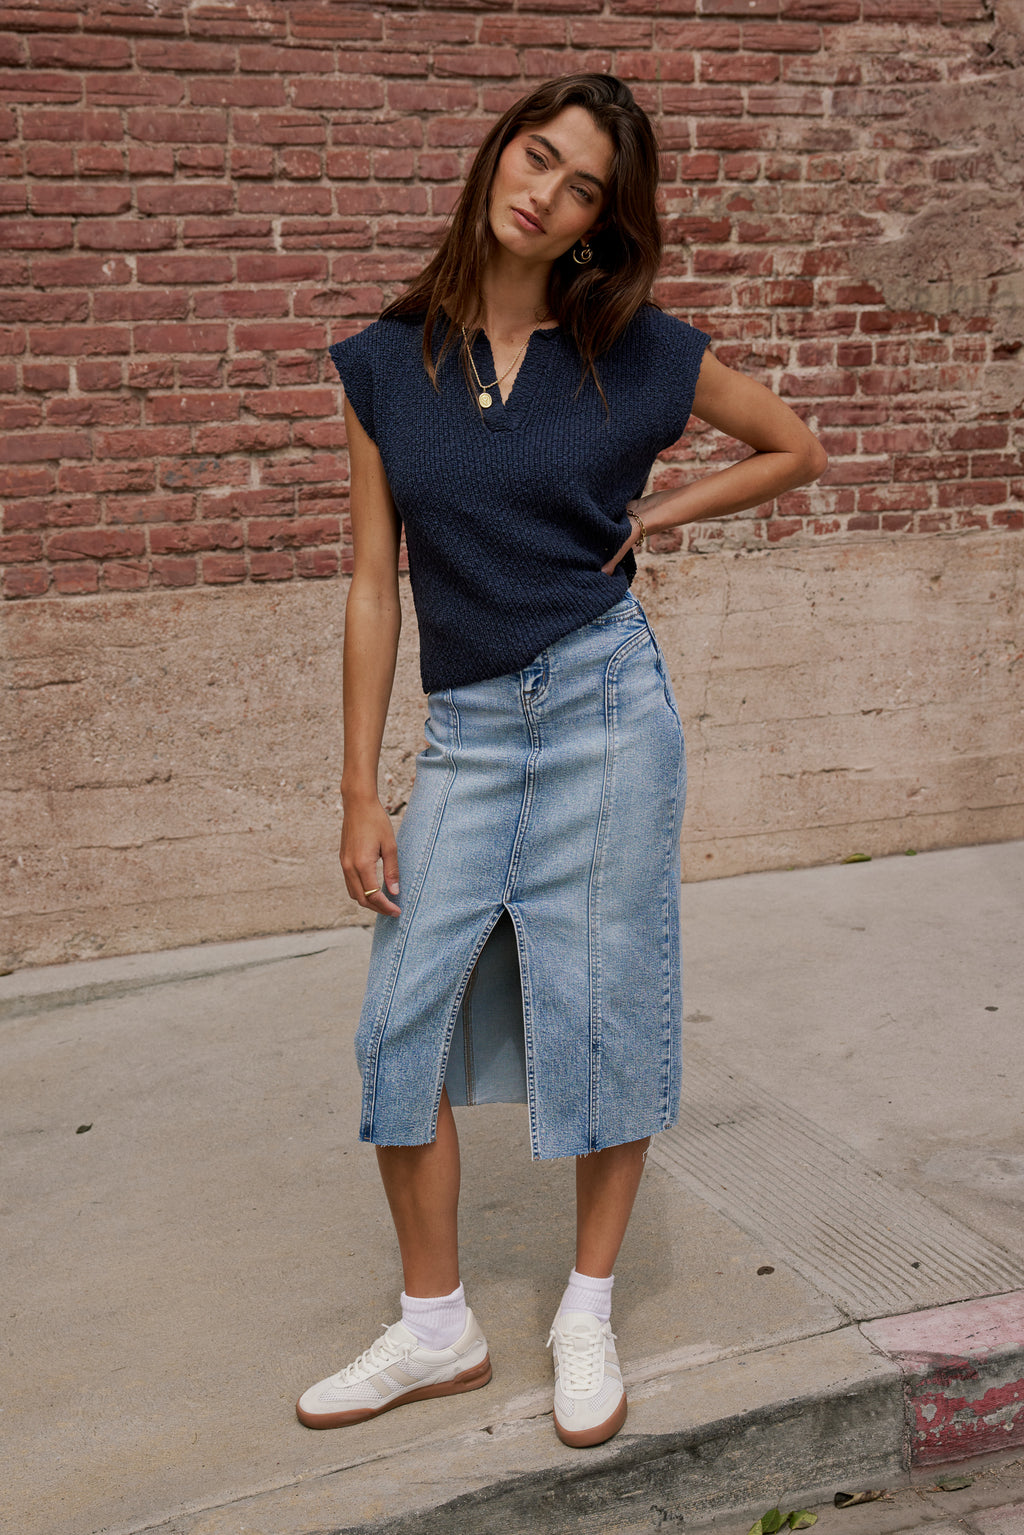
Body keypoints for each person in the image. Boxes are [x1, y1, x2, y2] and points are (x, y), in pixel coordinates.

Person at [297, 73, 826, 1449]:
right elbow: (372, 585)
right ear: (497, 154)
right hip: (468, 735)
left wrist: (672, 507)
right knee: (399, 1028)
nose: (549, 190)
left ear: (600, 221)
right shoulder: (382, 363)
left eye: (584, 185)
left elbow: (792, 445)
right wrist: (361, 790)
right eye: (541, 156)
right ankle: (436, 1329)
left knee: (605, 1011)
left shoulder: (634, 349)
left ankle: (584, 1311)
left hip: (605, 713)